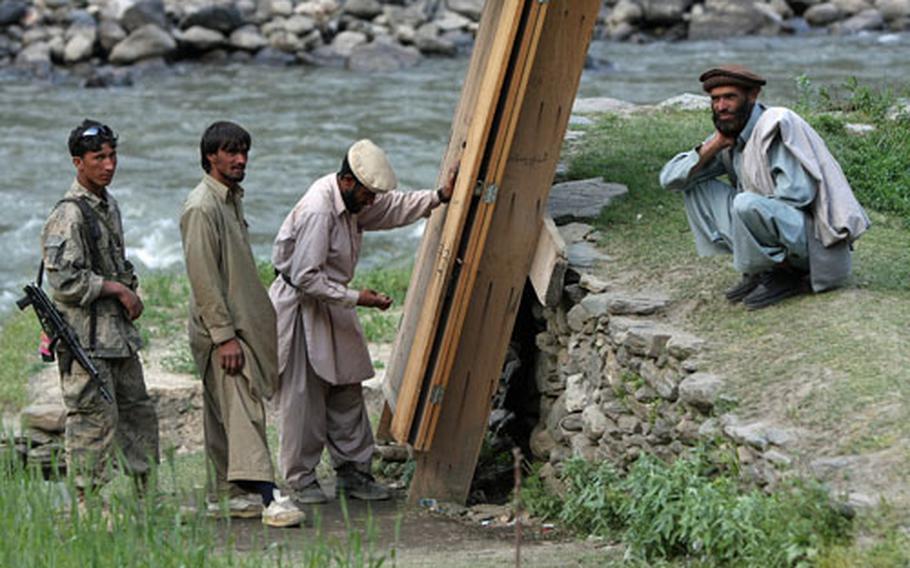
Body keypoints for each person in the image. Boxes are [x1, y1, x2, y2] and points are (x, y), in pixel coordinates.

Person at [270, 139, 456, 503]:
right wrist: (359, 299)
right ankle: (302, 478)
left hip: (331, 300)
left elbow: (391, 207)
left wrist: (439, 196)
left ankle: (354, 473)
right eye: (368, 195)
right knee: (303, 398)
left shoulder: (354, 202)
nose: (372, 202)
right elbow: (307, 277)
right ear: (348, 182)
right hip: (301, 306)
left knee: (346, 389)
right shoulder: (319, 211)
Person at [659, 65, 870, 309]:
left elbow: (799, 195)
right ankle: (761, 270)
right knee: (694, 184)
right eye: (715, 99)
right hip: (777, 225)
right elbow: (669, 179)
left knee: (745, 203)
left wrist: (752, 205)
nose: (721, 106)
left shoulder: (775, 126)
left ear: (752, 95)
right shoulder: (730, 134)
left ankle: (784, 273)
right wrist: (714, 146)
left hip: (813, 240)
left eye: (730, 97)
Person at [179, 121, 304, 528]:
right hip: (226, 331)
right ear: (210, 156)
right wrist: (224, 337)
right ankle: (270, 498)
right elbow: (204, 279)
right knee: (245, 408)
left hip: (236, 327)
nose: (240, 159)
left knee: (223, 410)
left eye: (244, 151)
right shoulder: (202, 207)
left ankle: (228, 495)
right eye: (231, 152)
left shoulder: (230, 199)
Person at [40, 119, 159, 499]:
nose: (108, 165)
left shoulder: (108, 206)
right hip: (86, 340)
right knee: (92, 420)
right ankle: (88, 504)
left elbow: (118, 262)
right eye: (98, 158)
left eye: (112, 156)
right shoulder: (68, 215)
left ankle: (146, 496)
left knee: (138, 413)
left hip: (117, 336)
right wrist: (116, 290)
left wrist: (129, 286)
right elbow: (65, 281)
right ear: (78, 162)